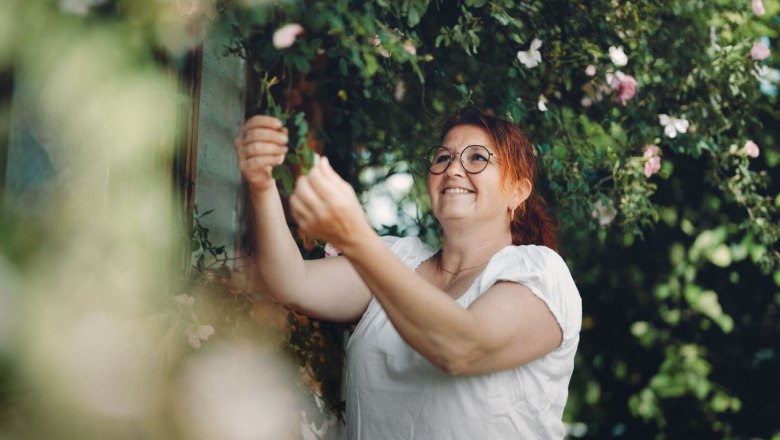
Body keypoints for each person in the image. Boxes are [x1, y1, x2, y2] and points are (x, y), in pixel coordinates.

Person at [235, 106, 582, 439]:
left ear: (517, 192)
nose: (453, 169)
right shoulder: (396, 258)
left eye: (477, 157)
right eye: (443, 157)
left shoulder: (541, 273)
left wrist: (357, 240)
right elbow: (292, 282)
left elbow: (461, 349)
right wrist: (262, 184)